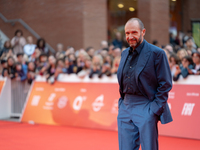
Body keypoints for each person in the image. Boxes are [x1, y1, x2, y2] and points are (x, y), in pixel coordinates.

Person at [117, 18, 172, 150]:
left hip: (146, 106)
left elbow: (165, 84)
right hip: (125, 106)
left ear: (143, 32)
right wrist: (121, 104)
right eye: (127, 33)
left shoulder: (157, 53)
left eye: (134, 32)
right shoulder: (124, 53)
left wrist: (154, 110)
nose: (130, 37)